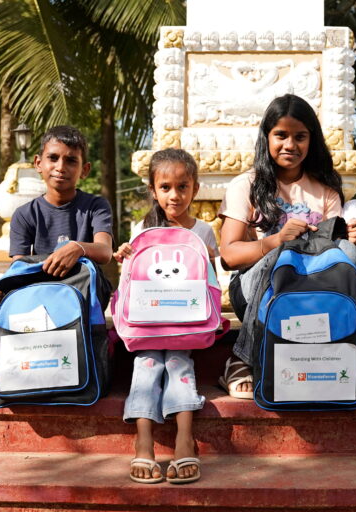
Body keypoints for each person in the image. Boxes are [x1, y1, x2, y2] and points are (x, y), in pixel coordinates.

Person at [217, 93, 356, 399]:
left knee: (348, 254)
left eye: (300, 137)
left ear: (312, 140)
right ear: (267, 137)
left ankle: (346, 348)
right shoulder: (246, 184)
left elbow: (334, 258)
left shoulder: (326, 190)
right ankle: (241, 359)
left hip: (309, 291)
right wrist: (276, 240)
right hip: (255, 290)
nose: (290, 145)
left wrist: (349, 240)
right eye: (281, 135)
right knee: (282, 256)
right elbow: (229, 256)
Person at [0, 125, 114, 393]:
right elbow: (19, 270)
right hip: (40, 298)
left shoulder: (95, 206)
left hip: (83, 296)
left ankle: (4, 372)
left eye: (71, 160)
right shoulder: (25, 214)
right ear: (38, 163)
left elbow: (105, 252)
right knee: (18, 309)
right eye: (53, 158)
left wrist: (77, 247)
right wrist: (0, 295)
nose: (60, 167)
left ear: (85, 169)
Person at [113, 148, 216, 484]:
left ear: (195, 188)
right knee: (146, 365)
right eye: (166, 187)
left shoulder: (204, 231)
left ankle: (185, 438)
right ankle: (143, 441)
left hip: (185, 323)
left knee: (178, 364)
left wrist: (210, 257)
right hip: (148, 322)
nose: (175, 195)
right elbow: (132, 278)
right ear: (153, 190)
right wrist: (125, 254)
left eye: (183, 187)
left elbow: (210, 282)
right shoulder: (142, 228)